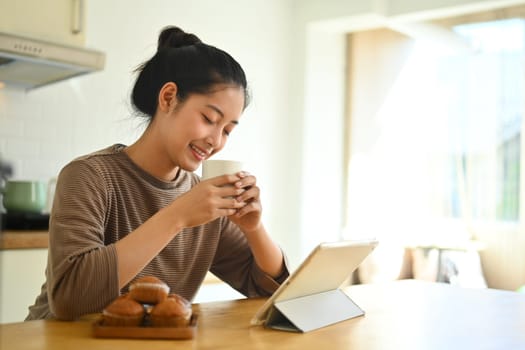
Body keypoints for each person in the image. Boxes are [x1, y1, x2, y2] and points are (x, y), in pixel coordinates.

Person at [26, 25, 289, 321]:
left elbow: (273, 291)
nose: (216, 141)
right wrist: (177, 217)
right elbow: (69, 299)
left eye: (227, 130)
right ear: (168, 98)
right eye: (209, 119)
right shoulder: (88, 176)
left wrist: (253, 229)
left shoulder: (203, 198)